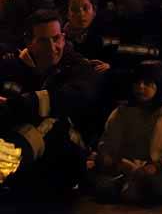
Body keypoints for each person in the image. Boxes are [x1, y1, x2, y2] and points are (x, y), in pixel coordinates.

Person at [0, 10, 100, 202]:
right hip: (23, 158)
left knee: (47, 123)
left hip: (65, 154)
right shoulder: (10, 66)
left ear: (63, 37)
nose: (53, 47)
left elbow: (70, 99)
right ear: (29, 41)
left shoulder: (77, 67)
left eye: (56, 39)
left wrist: (16, 105)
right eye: (44, 41)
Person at [93, 60, 162, 204]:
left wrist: (156, 167)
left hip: (157, 171)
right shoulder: (123, 112)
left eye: (147, 83)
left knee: (158, 186)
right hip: (126, 168)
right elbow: (107, 143)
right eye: (137, 82)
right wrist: (114, 160)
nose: (140, 87)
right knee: (103, 186)